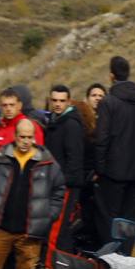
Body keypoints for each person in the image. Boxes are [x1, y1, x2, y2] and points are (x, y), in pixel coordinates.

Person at [0, 116, 60, 269]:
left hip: (30, 232)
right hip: (1, 228)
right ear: (15, 136)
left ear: (34, 137)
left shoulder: (47, 162)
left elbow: (59, 190)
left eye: (29, 137)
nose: (26, 141)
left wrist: (48, 215)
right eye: (22, 136)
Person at [91, 55, 135, 247]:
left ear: (111, 76)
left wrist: (99, 168)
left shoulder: (108, 103)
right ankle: (126, 256)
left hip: (113, 173)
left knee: (108, 218)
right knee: (130, 220)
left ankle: (108, 259)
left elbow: (102, 138)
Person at [42, 84, 89, 245]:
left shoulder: (70, 124)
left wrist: (64, 183)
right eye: (54, 100)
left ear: (68, 102)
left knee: (58, 228)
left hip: (65, 185)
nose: (57, 104)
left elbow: (74, 159)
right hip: (53, 183)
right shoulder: (54, 121)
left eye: (61, 101)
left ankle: (52, 265)